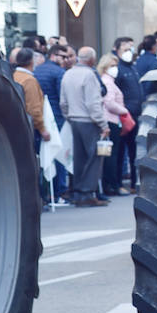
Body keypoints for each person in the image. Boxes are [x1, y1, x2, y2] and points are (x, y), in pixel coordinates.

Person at [60, 46, 110, 206]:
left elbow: (63, 102)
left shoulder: (68, 73)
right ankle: (87, 193)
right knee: (94, 157)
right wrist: (103, 124)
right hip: (89, 121)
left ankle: (78, 192)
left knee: (79, 158)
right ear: (91, 59)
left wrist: (68, 116)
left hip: (74, 120)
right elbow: (93, 103)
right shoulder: (89, 75)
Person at [34, 41, 69, 201]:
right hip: (56, 116)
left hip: (41, 115)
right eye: (63, 56)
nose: (66, 59)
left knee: (44, 154)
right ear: (54, 55)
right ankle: (59, 190)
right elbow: (63, 97)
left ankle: (46, 192)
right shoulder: (59, 72)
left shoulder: (37, 70)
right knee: (58, 152)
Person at [96, 53, 131, 196]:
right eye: (112, 66)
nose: (115, 68)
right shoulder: (108, 82)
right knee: (112, 155)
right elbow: (109, 103)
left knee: (109, 155)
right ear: (105, 67)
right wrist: (124, 110)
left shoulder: (107, 81)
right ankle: (112, 185)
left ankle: (108, 185)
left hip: (110, 120)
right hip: (111, 120)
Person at [115, 43, 144, 192]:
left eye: (130, 49)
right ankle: (118, 184)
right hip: (124, 115)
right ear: (117, 51)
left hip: (135, 115)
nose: (129, 52)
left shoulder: (133, 68)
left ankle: (134, 183)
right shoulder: (118, 70)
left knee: (134, 150)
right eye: (125, 50)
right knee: (120, 151)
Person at [12, 47, 49, 141]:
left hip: (16, 125)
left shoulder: (13, 75)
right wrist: (42, 129)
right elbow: (33, 108)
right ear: (31, 61)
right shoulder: (29, 80)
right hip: (31, 127)